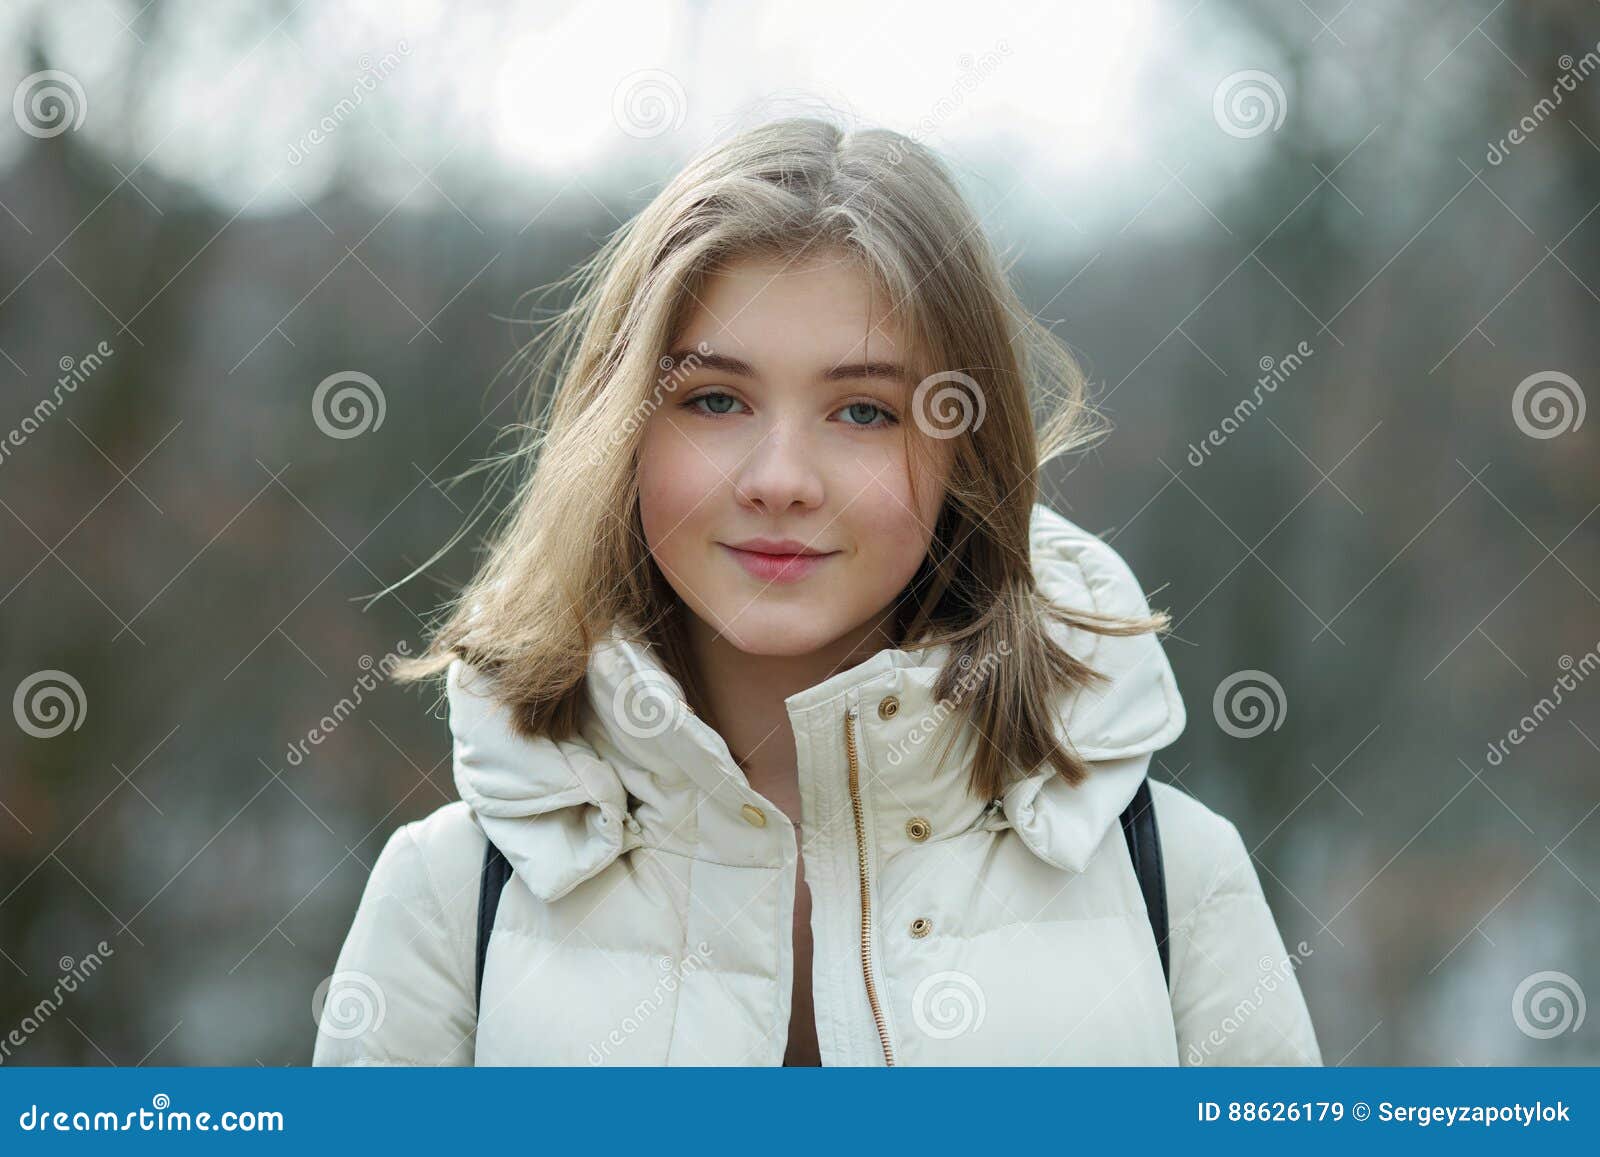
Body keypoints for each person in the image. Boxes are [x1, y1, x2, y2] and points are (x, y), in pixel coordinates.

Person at [311, 115, 1321, 1067]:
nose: (779, 476)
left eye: (864, 411)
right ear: (618, 434)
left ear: (965, 452)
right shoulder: (453, 893)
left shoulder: (1172, 878)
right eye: (714, 399)